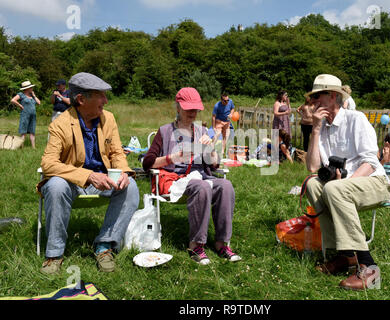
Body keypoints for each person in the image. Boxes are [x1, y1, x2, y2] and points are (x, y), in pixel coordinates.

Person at [37, 72, 139, 275]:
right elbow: (48, 164)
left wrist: (125, 172)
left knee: (131, 187)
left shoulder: (108, 118)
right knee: (55, 185)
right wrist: (88, 175)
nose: (106, 100)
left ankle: (104, 246)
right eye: (100, 95)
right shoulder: (60, 123)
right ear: (81, 99)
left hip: (104, 181)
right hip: (71, 183)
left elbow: (117, 152)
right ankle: (54, 255)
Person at [304, 74, 390, 291]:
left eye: (318, 96)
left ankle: (368, 265)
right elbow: (313, 168)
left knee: (334, 188)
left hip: (374, 182)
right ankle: (345, 256)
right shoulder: (322, 128)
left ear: (333, 96)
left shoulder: (356, 119)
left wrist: (345, 184)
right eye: (312, 97)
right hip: (345, 186)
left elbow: (371, 162)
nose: (314, 102)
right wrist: (315, 129)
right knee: (313, 184)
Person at [143, 87, 241, 265]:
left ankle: (222, 243)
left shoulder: (202, 131)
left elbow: (214, 164)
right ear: (178, 107)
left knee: (226, 186)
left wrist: (210, 148)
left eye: (195, 109)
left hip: (200, 175)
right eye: (189, 108)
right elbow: (147, 162)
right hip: (174, 179)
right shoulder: (165, 131)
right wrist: (172, 158)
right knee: (201, 185)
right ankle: (196, 244)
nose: (193, 113)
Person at [10, 80, 41, 149]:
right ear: (27, 89)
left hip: (33, 117)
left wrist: (34, 95)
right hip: (25, 116)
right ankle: (22, 147)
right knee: (23, 132)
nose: (32, 89)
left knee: (32, 132)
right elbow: (13, 100)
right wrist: (19, 105)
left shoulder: (32, 96)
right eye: (31, 88)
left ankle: (33, 147)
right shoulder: (21, 94)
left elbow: (39, 103)